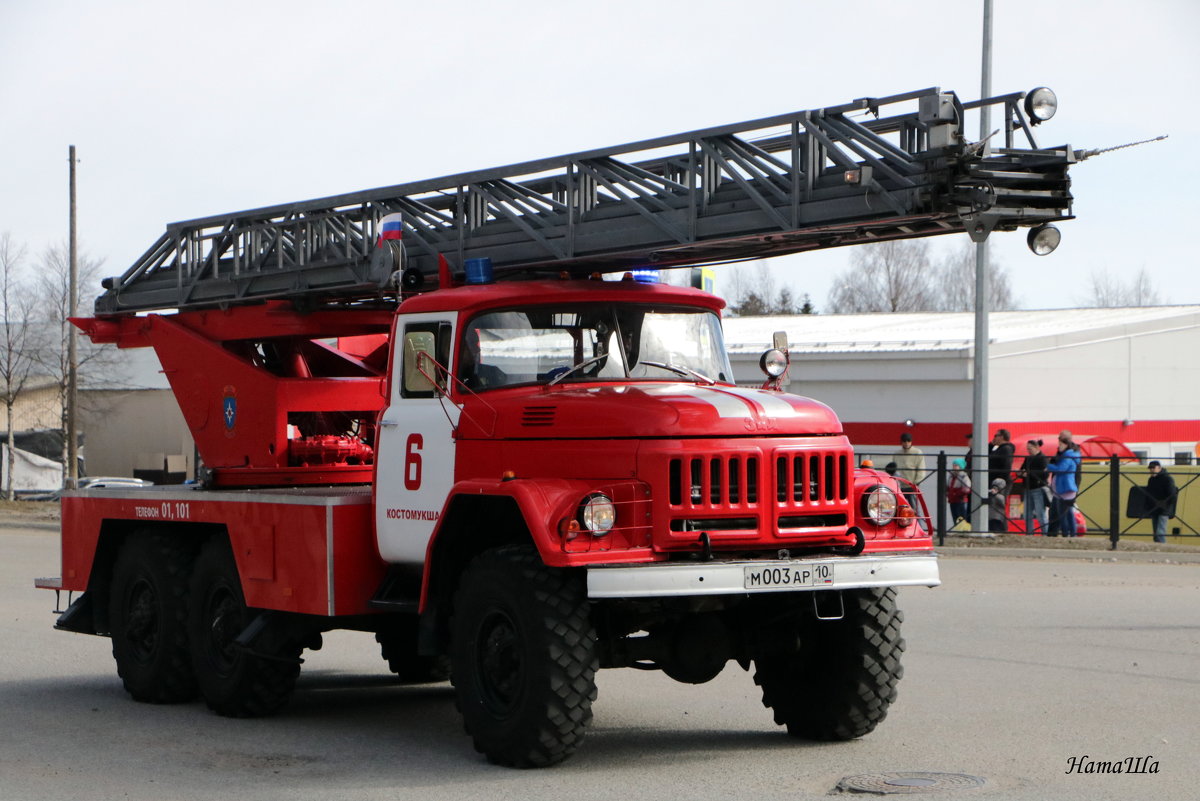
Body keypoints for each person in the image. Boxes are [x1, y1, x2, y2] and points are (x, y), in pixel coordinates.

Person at [1047, 432, 1082, 537]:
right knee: (1068, 512)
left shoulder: (1068, 456)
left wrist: (1048, 465)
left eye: (1060, 444)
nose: (1059, 446)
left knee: (1062, 513)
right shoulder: (1071, 454)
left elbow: (1061, 469)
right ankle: (1071, 534)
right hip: (1064, 487)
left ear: (1066, 444)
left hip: (1064, 488)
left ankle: (1066, 534)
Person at [1145, 460, 1178, 544]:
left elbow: (1172, 494)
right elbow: (1149, 493)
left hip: (1163, 509)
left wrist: (1166, 505)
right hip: (1154, 508)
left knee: (1160, 532)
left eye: (1153, 468)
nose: (1151, 470)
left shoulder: (1167, 479)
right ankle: (1158, 548)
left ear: (1159, 468)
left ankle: (1162, 548)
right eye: (1150, 468)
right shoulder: (1151, 479)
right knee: (1156, 532)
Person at [1021, 438, 1049, 534]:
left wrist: (1029, 473)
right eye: (1027, 449)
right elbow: (1022, 469)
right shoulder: (1028, 458)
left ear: (1037, 447)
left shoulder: (1042, 458)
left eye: (1030, 449)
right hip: (1028, 488)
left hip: (1038, 489)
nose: (1028, 451)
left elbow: (1044, 474)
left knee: (1040, 514)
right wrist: (1021, 473)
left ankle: (1045, 533)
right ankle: (1029, 533)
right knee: (1027, 514)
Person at [892, 432, 924, 506]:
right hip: (899, 486)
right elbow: (894, 469)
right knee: (898, 508)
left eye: (908, 441)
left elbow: (921, 470)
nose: (906, 443)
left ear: (911, 442)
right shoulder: (897, 454)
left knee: (914, 510)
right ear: (901, 442)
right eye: (904, 441)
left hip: (912, 486)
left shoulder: (917, 452)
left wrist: (915, 484)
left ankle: (916, 517)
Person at [947, 458, 971, 525]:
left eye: (956, 465)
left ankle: (962, 531)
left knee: (961, 517)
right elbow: (948, 486)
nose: (954, 467)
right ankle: (957, 529)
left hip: (961, 500)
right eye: (953, 465)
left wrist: (956, 493)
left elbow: (967, 488)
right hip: (952, 500)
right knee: (955, 517)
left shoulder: (963, 476)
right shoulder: (951, 476)